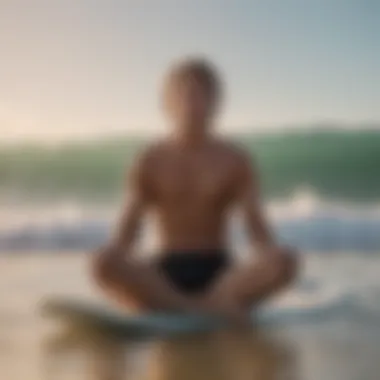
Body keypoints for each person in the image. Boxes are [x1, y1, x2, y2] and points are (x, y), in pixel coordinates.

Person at [92, 57, 298, 322]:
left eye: (202, 94)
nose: (192, 103)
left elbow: (257, 231)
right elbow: (127, 233)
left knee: (286, 261)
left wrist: (270, 265)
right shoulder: (150, 159)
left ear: (216, 102)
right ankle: (202, 309)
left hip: (220, 275)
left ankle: (183, 307)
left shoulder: (234, 158)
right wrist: (117, 269)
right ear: (168, 102)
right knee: (102, 262)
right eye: (183, 94)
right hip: (164, 275)